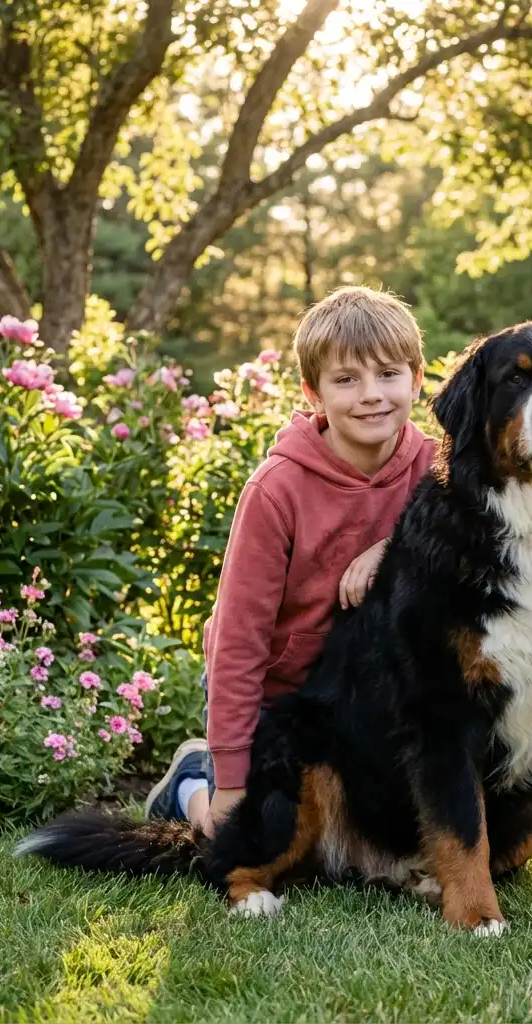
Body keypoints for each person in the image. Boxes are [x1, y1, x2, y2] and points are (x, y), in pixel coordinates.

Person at [144, 286, 434, 834]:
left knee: (350, 842)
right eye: (346, 379)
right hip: (280, 693)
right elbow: (237, 639)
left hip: (366, 700)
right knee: (250, 832)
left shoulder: (436, 469)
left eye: (388, 374)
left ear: (417, 379)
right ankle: (190, 787)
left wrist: (394, 546)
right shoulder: (276, 490)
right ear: (313, 392)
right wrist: (231, 781)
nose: (371, 395)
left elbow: (481, 541)